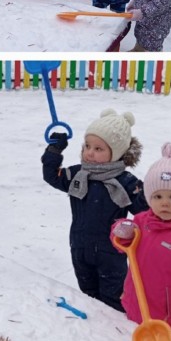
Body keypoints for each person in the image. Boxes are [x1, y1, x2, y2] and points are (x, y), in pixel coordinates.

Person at [41, 109, 148, 311]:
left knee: (113, 299)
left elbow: (144, 209)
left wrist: (151, 191)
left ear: (116, 153)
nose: (90, 152)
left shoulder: (125, 182)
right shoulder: (78, 174)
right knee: (88, 296)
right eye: (87, 146)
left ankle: (114, 328)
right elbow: (52, 176)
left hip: (111, 253)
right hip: (79, 247)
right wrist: (54, 151)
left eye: (99, 148)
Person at [111, 143, 171, 341]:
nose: (164, 203)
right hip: (135, 307)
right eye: (157, 196)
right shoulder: (143, 221)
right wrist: (122, 230)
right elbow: (125, 240)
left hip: (169, 322)